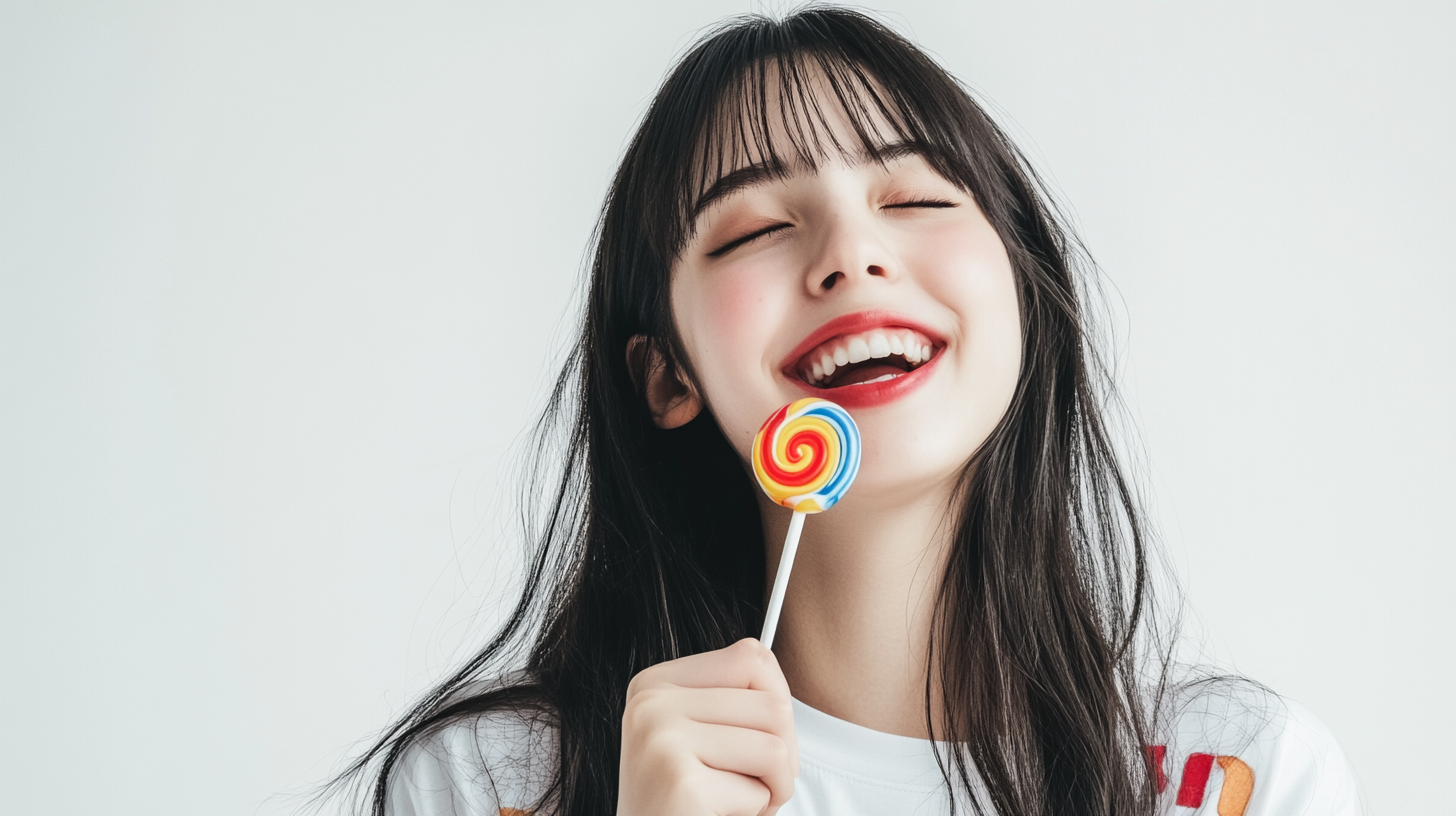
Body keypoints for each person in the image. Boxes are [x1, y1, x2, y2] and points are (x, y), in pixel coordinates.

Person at [330, 8, 1363, 816]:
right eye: (754, 230)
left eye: (914, 200)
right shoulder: (499, 784)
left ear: (1022, 294)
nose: (852, 255)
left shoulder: (1231, 779)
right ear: (667, 377)